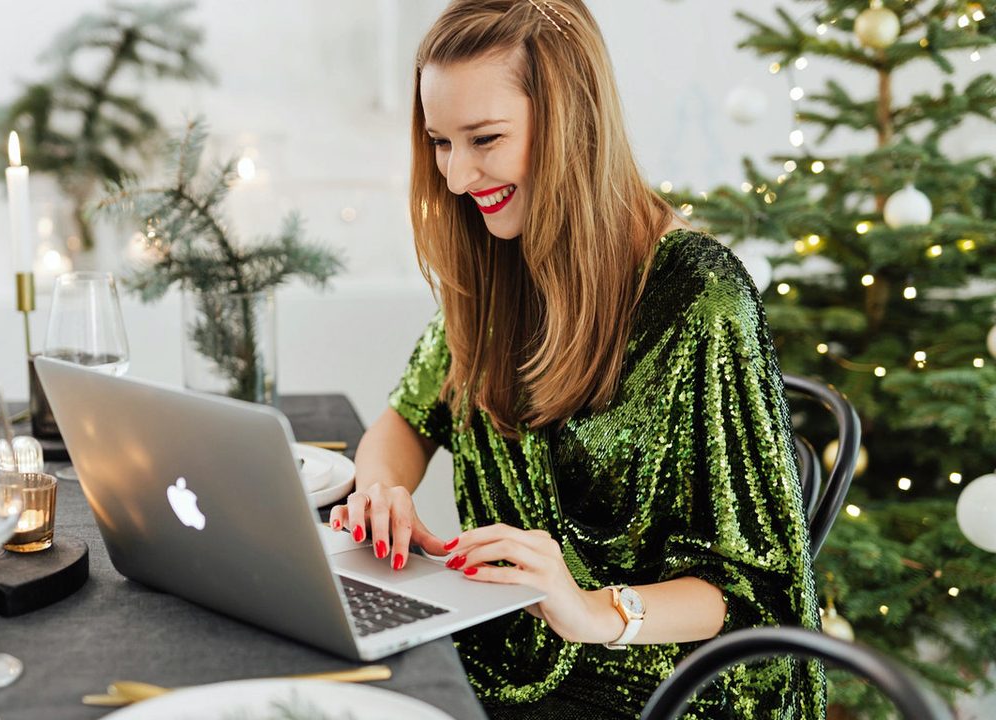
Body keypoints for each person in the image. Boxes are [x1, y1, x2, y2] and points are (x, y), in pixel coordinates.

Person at [328, 1, 825, 717]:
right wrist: (381, 493)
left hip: (657, 681)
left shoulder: (699, 298)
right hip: (507, 642)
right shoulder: (500, 262)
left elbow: (754, 593)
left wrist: (593, 609)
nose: (459, 178)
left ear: (571, 125)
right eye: (440, 141)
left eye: (485, 139)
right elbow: (406, 422)